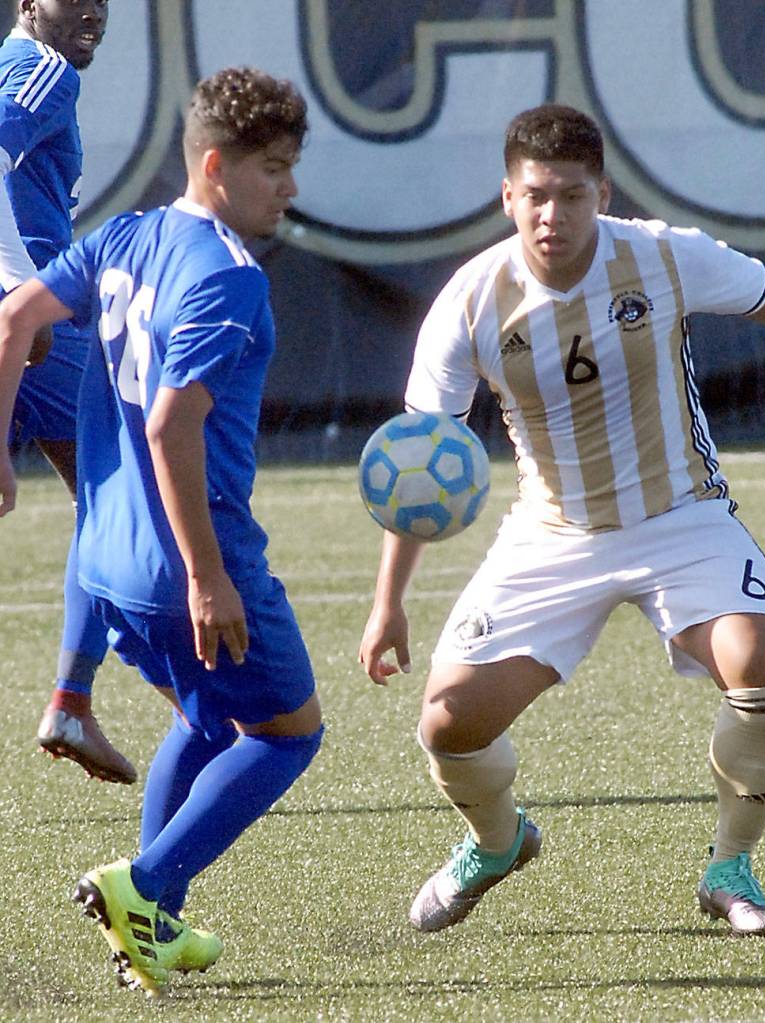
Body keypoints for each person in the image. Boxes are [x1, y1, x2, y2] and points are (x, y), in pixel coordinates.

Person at [358, 104, 765, 938]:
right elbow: (419, 460)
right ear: (507, 198)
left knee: (760, 661)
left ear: (603, 194)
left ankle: (730, 867)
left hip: (682, 516)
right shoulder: (470, 303)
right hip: (552, 534)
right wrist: (388, 601)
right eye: (536, 196)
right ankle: (496, 840)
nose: (554, 215)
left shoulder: (659, 255)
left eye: (573, 196)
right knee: (448, 721)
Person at [0, 66, 323, 997]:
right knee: (287, 734)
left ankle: (156, 922)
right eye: (274, 167)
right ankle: (142, 886)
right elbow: (171, 422)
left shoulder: (128, 235)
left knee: (203, 715)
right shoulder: (228, 277)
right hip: (185, 561)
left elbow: (16, 312)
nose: (289, 187)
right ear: (216, 165)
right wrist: (208, 576)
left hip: (102, 558)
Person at [0, 0, 134, 783]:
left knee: (110, 502)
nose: (91, 9)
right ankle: (74, 702)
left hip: (39, 323)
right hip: (41, 322)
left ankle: (74, 704)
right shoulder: (41, 69)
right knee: (122, 506)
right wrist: (15, 294)